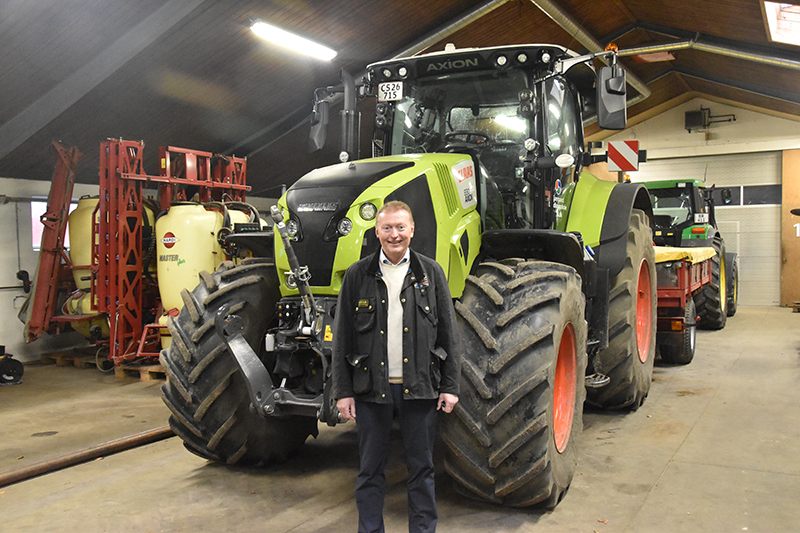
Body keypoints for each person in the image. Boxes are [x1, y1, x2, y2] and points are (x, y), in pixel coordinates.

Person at [332, 200, 460, 533]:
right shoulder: (358, 276)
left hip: (419, 388)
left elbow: (449, 333)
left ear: (412, 230)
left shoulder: (431, 274)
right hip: (372, 389)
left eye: (401, 227)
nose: (394, 235)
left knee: (422, 470)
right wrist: (343, 393)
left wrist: (450, 386)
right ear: (377, 232)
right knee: (370, 471)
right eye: (387, 228)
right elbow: (343, 338)